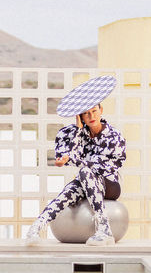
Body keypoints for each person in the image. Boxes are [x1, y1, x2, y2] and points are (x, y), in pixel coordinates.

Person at [25, 101, 126, 246]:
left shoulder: (114, 135)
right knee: (68, 191)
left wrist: (72, 160)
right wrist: (78, 130)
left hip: (109, 183)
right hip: (86, 181)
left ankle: (104, 229)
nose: (91, 116)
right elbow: (69, 154)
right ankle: (36, 228)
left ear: (101, 110)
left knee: (85, 171)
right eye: (85, 113)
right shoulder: (76, 133)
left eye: (94, 111)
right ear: (80, 116)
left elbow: (103, 166)